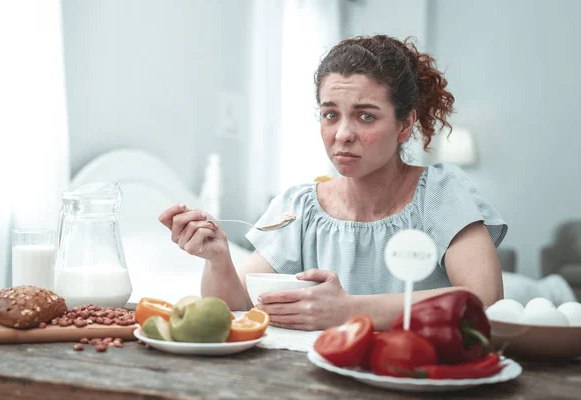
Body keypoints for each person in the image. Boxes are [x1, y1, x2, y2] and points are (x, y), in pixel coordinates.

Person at [158, 35, 507, 331]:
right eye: (330, 115)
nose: (342, 135)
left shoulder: (441, 194)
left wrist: (349, 310)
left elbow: (483, 298)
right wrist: (218, 259)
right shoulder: (298, 207)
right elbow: (234, 306)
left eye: (365, 116)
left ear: (405, 125)